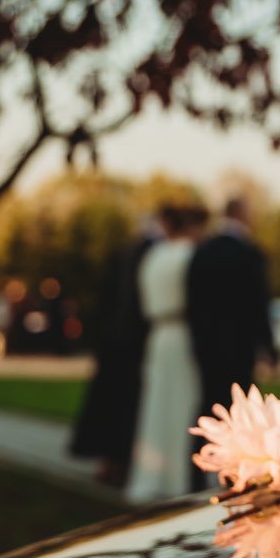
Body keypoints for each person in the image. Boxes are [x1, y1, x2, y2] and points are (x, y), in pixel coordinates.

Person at [127, 203, 208, 503]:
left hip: (157, 335)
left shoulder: (154, 255)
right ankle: (177, 478)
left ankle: (151, 473)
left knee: (156, 405)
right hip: (181, 334)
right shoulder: (188, 255)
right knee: (182, 405)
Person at [67, 217, 157, 486]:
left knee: (108, 405)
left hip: (112, 343)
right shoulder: (148, 255)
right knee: (125, 408)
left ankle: (108, 463)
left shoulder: (122, 253)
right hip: (132, 346)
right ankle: (119, 464)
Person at [187, 195, 276, 425]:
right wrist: (268, 347)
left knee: (209, 405)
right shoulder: (250, 253)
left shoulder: (202, 250)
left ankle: (200, 458)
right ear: (241, 215)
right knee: (238, 409)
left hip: (207, 345)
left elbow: (192, 301)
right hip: (240, 345)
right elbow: (259, 304)